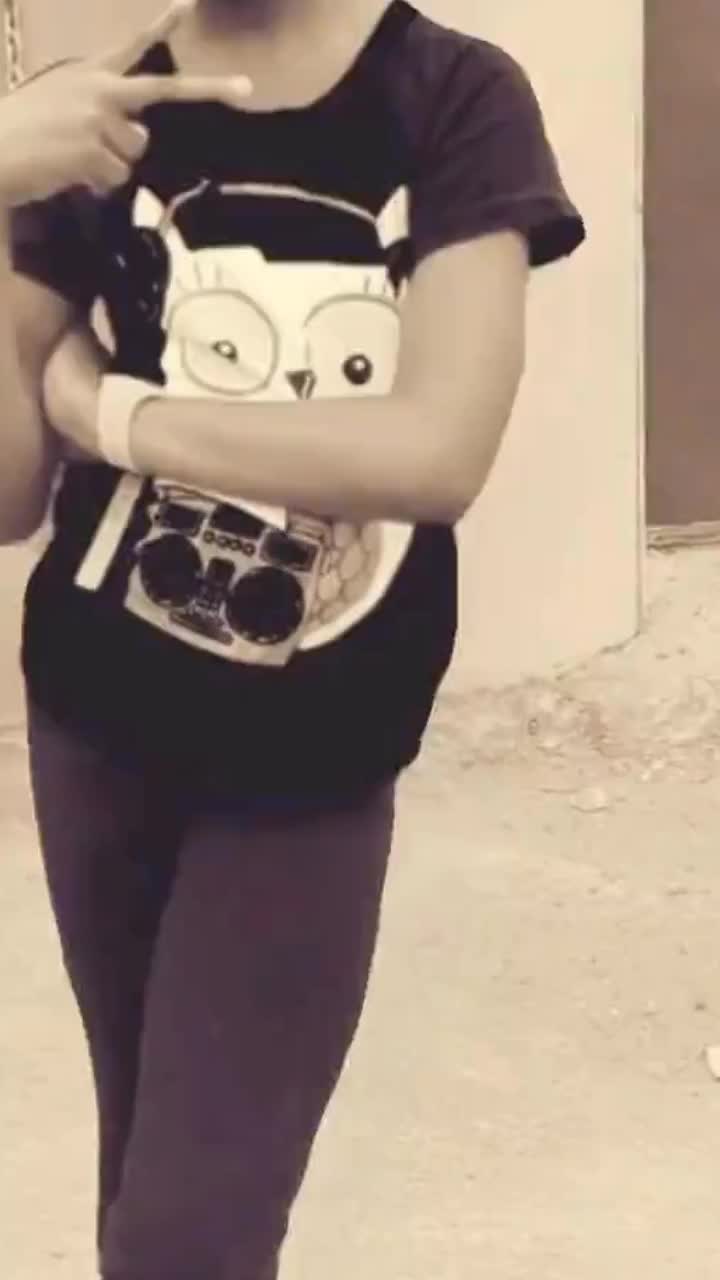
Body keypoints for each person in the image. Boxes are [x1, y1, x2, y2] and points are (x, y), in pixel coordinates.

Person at [1, 1, 585, 1277]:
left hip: (310, 750)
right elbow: (7, 489)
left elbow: (436, 449)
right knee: (147, 1187)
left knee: (186, 1234)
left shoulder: (452, 97)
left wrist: (122, 416)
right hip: (95, 724)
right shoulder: (95, 112)